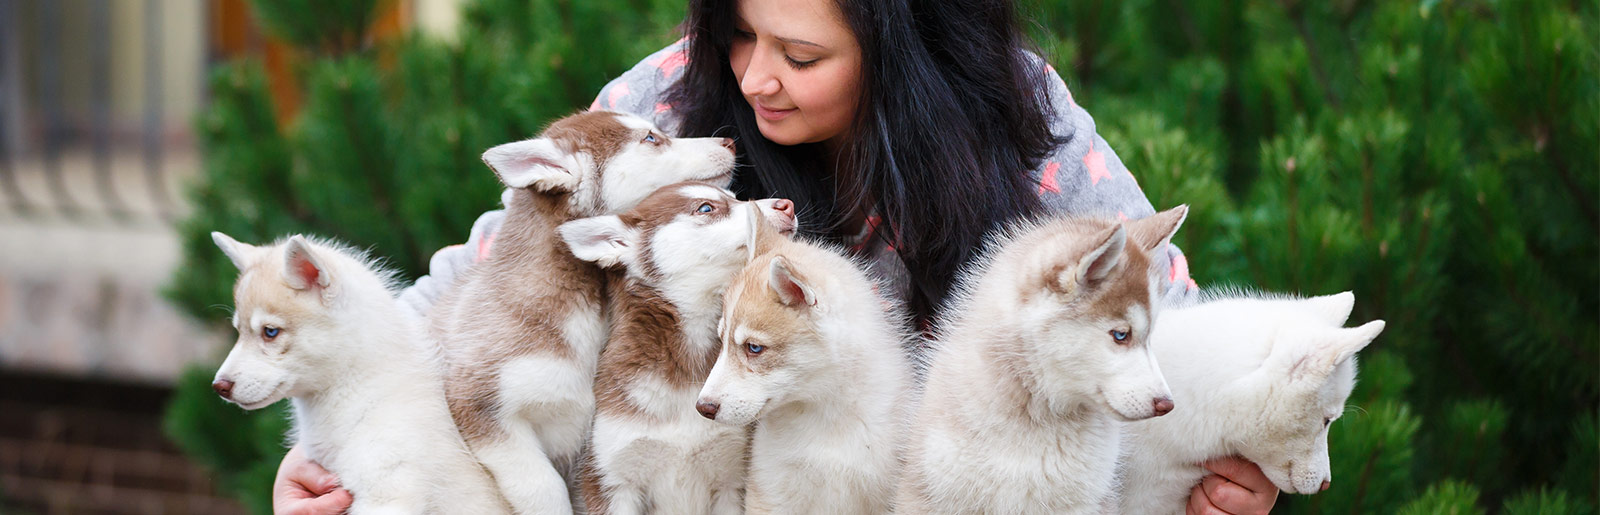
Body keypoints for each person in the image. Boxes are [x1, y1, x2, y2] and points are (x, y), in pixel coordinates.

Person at [276, 1, 1279, 514]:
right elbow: (477, 290)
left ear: (905, 47)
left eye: (800, 55)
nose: (754, 77)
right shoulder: (663, 102)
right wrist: (325, 454)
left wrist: (1233, 468)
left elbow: (1168, 330)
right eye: (738, 33)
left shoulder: (1018, 119)